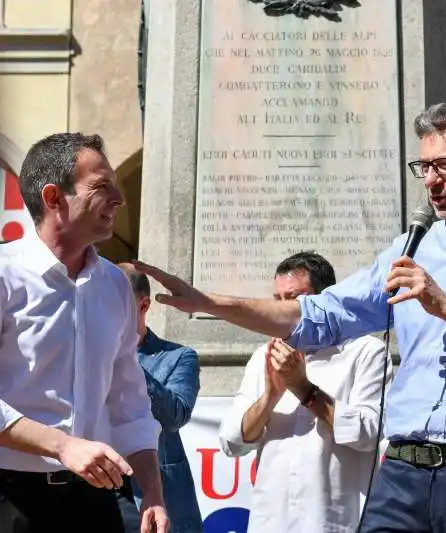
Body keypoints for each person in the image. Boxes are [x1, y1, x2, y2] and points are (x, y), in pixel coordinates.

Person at [136, 99, 446, 532]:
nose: (431, 181)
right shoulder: (412, 249)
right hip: (404, 474)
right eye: (425, 167)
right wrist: (211, 303)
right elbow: (319, 315)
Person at [0, 133, 168, 532]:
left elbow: (128, 402)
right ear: (54, 198)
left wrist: (153, 493)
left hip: (94, 501)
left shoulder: (114, 286)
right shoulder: (5, 275)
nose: (119, 199)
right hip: (9, 498)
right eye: (100, 187)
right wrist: (63, 446)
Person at [218, 251, 393, 532]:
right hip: (272, 520)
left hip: (334, 521)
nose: (281, 311)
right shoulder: (264, 355)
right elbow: (232, 443)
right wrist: (270, 397)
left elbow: (369, 434)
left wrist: (304, 389)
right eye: (278, 300)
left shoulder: (366, 352)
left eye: (295, 299)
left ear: (325, 301)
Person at [115, 263, 203, 533]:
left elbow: (175, 415)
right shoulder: (83, 356)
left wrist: (125, 358)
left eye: (116, 304)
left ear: (143, 306)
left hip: (152, 498)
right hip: (94, 492)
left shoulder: (178, 357)